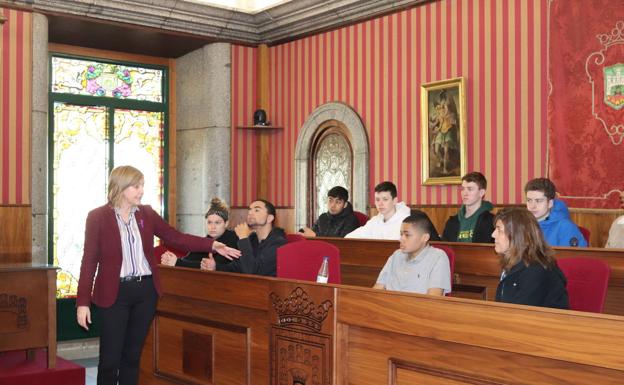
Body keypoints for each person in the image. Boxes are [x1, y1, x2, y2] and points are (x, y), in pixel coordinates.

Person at [76, 166, 240, 385]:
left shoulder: (147, 214)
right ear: (121, 187)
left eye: (142, 185)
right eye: (136, 186)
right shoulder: (97, 217)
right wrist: (82, 302)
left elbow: (176, 237)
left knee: (132, 358)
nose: (141, 190)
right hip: (114, 294)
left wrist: (212, 244)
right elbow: (89, 261)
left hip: (145, 292)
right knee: (110, 360)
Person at [492, 207, 569, 309]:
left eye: (499, 230)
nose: (493, 235)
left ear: (518, 235)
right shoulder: (513, 261)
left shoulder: (536, 270)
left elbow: (519, 314)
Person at [201, 199, 287, 276]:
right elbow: (237, 268)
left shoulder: (278, 243)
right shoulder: (252, 240)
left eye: (256, 210)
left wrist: (243, 238)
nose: (250, 213)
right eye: (249, 210)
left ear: (269, 218)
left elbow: (253, 272)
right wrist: (216, 267)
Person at [373, 213, 451, 295]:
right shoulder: (396, 255)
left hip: (417, 307)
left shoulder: (438, 257)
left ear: (424, 238)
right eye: (401, 234)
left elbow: (433, 299)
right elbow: (378, 288)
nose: (401, 239)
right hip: (388, 305)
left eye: (407, 235)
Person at [160, 197, 239, 268]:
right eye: (209, 222)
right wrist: (171, 259)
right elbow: (188, 260)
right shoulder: (205, 241)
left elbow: (215, 266)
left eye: (217, 223)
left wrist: (177, 262)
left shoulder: (234, 239)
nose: (213, 227)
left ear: (226, 223)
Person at [525, 178, 587, 247]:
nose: (532, 206)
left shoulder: (566, 227)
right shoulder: (522, 225)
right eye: (529, 200)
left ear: (550, 203)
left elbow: (572, 256)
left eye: (538, 201)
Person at [345, 181, 410, 240]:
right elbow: (350, 237)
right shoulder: (375, 221)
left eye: (385, 199)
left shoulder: (407, 222)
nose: (380, 204)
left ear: (394, 201)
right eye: (377, 200)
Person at [442, 171, 495, 243]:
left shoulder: (491, 222)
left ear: (481, 193)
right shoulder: (452, 222)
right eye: (463, 189)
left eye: (470, 189)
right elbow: (445, 249)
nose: (464, 193)